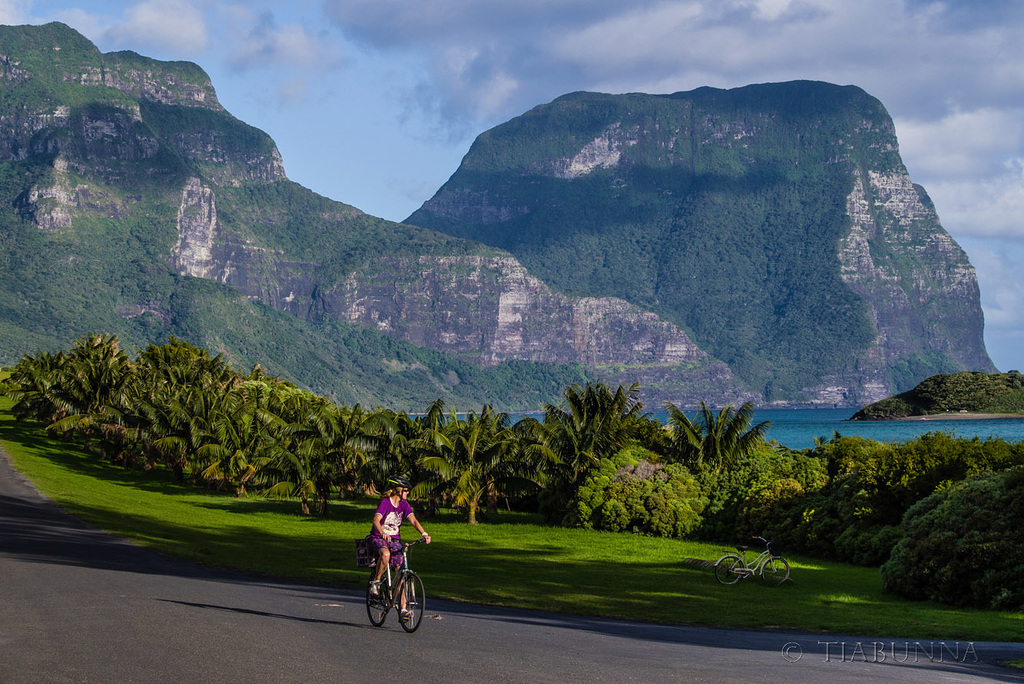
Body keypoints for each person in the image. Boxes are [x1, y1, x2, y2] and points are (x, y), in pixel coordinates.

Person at [368, 475, 431, 620]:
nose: (408, 492)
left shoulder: (404, 505)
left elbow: (413, 520)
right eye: (406, 490)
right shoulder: (385, 503)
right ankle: (376, 582)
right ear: (398, 490)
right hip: (378, 538)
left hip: (395, 541)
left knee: (401, 575)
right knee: (385, 555)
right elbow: (376, 520)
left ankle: (403, 609)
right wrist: (382, 533)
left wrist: (424, 533)